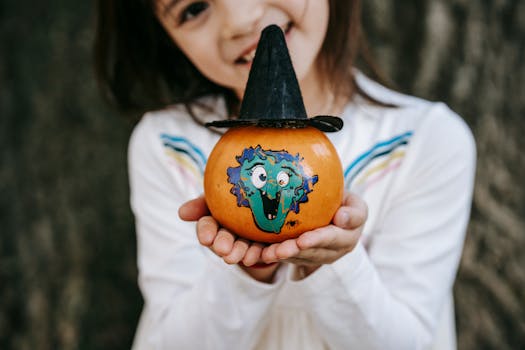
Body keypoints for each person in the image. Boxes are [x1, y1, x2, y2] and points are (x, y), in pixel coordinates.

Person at [94, 1, 476, 349]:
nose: (241, 20)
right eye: (193, 8)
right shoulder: (166, 145)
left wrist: (334, 264)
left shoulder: (426, 142)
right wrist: (246, 275)